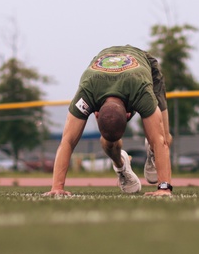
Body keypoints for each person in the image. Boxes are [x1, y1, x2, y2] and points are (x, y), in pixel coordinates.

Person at [44, 45, 174, 197]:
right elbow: (67, 141)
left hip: (143, 66)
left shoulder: (141, 92)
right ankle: (121, 166)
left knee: (163, 136)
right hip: (104, 63)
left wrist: (164, 188)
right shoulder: (87, 92)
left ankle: (153, 152)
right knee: (109, 143)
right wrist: (57, 187)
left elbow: (161, 141)